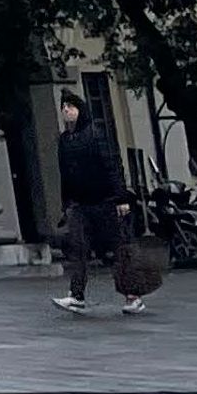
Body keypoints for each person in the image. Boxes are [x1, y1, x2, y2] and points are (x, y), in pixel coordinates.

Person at [54, 92, 144, 315]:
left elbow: (112, 166)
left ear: (80, 110)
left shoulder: (95, 135)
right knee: (79, 250)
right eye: (64, 107)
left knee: (116, 250)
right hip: (79, 205)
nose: (66, 110)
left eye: (71, 106)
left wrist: (121, 198)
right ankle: (76, 296)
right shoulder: (65, 141)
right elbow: (65, 174)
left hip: (103, 201)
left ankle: (132, 296)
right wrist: (66, 202)